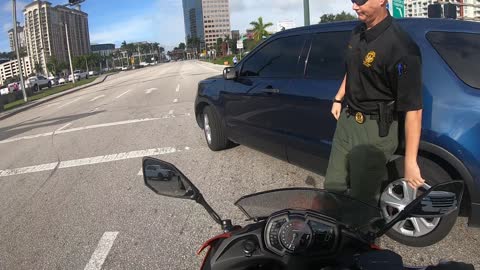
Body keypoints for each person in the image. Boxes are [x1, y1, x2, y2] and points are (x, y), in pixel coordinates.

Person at [324, 0, 425, 205]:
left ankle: (359, 233)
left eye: (360, 1)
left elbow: (413, 109)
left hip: (374, 129)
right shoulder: (357, 31)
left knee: (361, 198)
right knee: (333, 187)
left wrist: (410, 161)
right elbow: (353, 69)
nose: (354, 7)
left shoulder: (402, 47)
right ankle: (335, 232)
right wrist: (338, 97)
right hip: (347, 121)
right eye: (352, 0)